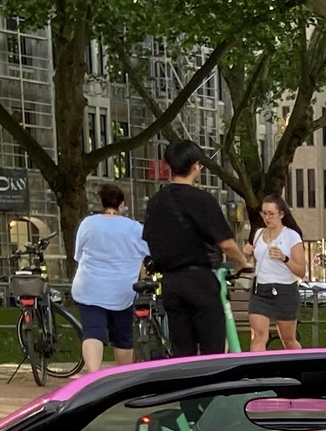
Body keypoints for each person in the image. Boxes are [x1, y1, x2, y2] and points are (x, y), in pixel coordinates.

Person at [140, 142, 250, 356]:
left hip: (170, 282)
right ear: (195, 166)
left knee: (182, 348)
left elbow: (149, 241)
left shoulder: (156, 203)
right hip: (200, 280)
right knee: (212, 345)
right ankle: (212, 386)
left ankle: (188, 386)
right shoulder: (202, 200)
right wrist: (241, 262)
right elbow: (226, 242)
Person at [69, 184, 148, 373]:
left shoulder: (88, 223)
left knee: (92, 332)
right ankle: (122, 379)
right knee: (122, 337)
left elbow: (78, 255)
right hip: (122, 291)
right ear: (122, 205)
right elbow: (149, 252)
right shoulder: (135, 228)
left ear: (103, 203)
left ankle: (93, 375)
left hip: (90, 288)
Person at [242, 194, 310, 352]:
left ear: (281, 214)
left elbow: (301, 271)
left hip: (284, 290)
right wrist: (245, 253)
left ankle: (299, 369)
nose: (267, 217)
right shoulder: (258, 233)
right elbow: (247, 260)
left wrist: (284, 258)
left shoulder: (291, 236)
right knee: (258, 336)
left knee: (288, 340)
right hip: (261, 290)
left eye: (271, 213)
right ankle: (258, 372)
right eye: (264, 213)